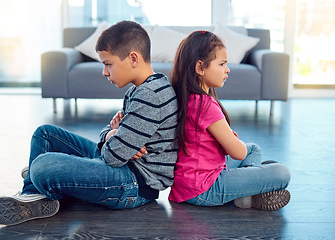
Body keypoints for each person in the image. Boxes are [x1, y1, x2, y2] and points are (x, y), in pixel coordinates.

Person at [0, 20, 178, 226]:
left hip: (133, 183)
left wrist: (116, 138)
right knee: (45, 134)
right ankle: (35, 194)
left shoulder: (150, 95)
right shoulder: (140, 90)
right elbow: (110, 134)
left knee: (41, 165)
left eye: (107, 64)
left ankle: (40, 184)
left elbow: (112, 156)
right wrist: (114, 136)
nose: (104, 72)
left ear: (133, 58)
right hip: (123, 165)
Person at [168, 30, 291, 210]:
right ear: (200, 67)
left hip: (185, 185)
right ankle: (246, 193)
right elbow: (238, 153)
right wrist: (232, 140)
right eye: (222, 64)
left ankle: (246, 193)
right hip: (206, 189)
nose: (227, 69)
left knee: (254, 150)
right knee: (281, 172)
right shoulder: (206, 106)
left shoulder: (187, 98)